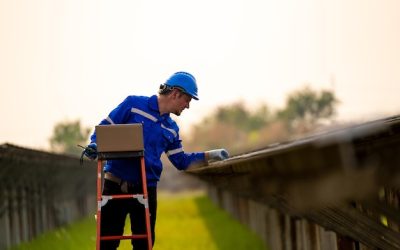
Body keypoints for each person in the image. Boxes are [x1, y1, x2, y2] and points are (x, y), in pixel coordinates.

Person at [83, 71, 229, 250]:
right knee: (107, 243)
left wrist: (210, 155)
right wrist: (94, 145)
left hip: (147, 189)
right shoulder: (133, 105)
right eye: (187, 100)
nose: (188, 106)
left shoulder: (172, 128)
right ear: (176, 93)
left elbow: (181, 161)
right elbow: (104, 128)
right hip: (115, 184)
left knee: (144, 245)